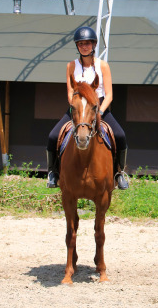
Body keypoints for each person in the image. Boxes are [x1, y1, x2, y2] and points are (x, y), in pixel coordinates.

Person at [46, 26, 129, 190]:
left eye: (87, 43)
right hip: (77, 108)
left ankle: (119, 173)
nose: (84, 47)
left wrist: (99, 111)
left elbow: (109, 95)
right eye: (81, 44)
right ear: (77, 46)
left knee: (120, 135)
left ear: (94, 45)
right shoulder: (71, 66)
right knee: (53, 136)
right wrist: (77, 107)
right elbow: (70, 93)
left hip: (98, 107)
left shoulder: (103, 66)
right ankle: (53, 173)